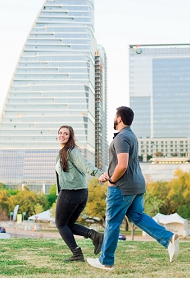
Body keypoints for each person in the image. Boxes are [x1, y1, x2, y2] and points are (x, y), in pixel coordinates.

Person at [87, 106, 180, 271]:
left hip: (122, 188)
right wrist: (110, 174)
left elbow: (122, 165)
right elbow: (123, 164)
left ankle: (105, 261)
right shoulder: (131, 135)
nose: (114, 119)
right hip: (136, 185)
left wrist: (112, 180)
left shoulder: (121, 138)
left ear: (119, 119)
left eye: (115, 116)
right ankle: (168, 237)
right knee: (137, 216)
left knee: (112, 222)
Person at [53, 125, 105, 262]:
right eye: (60, 133)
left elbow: (85, 164)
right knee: (68, 224)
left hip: (71, 192)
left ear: (70, 136)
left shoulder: (71, 151)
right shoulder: (63, 152)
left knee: (60, 224)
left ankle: (77, 253)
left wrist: (98, 174)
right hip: (79, 193)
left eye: (65, 134)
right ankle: (95, 236)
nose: (62, 136)